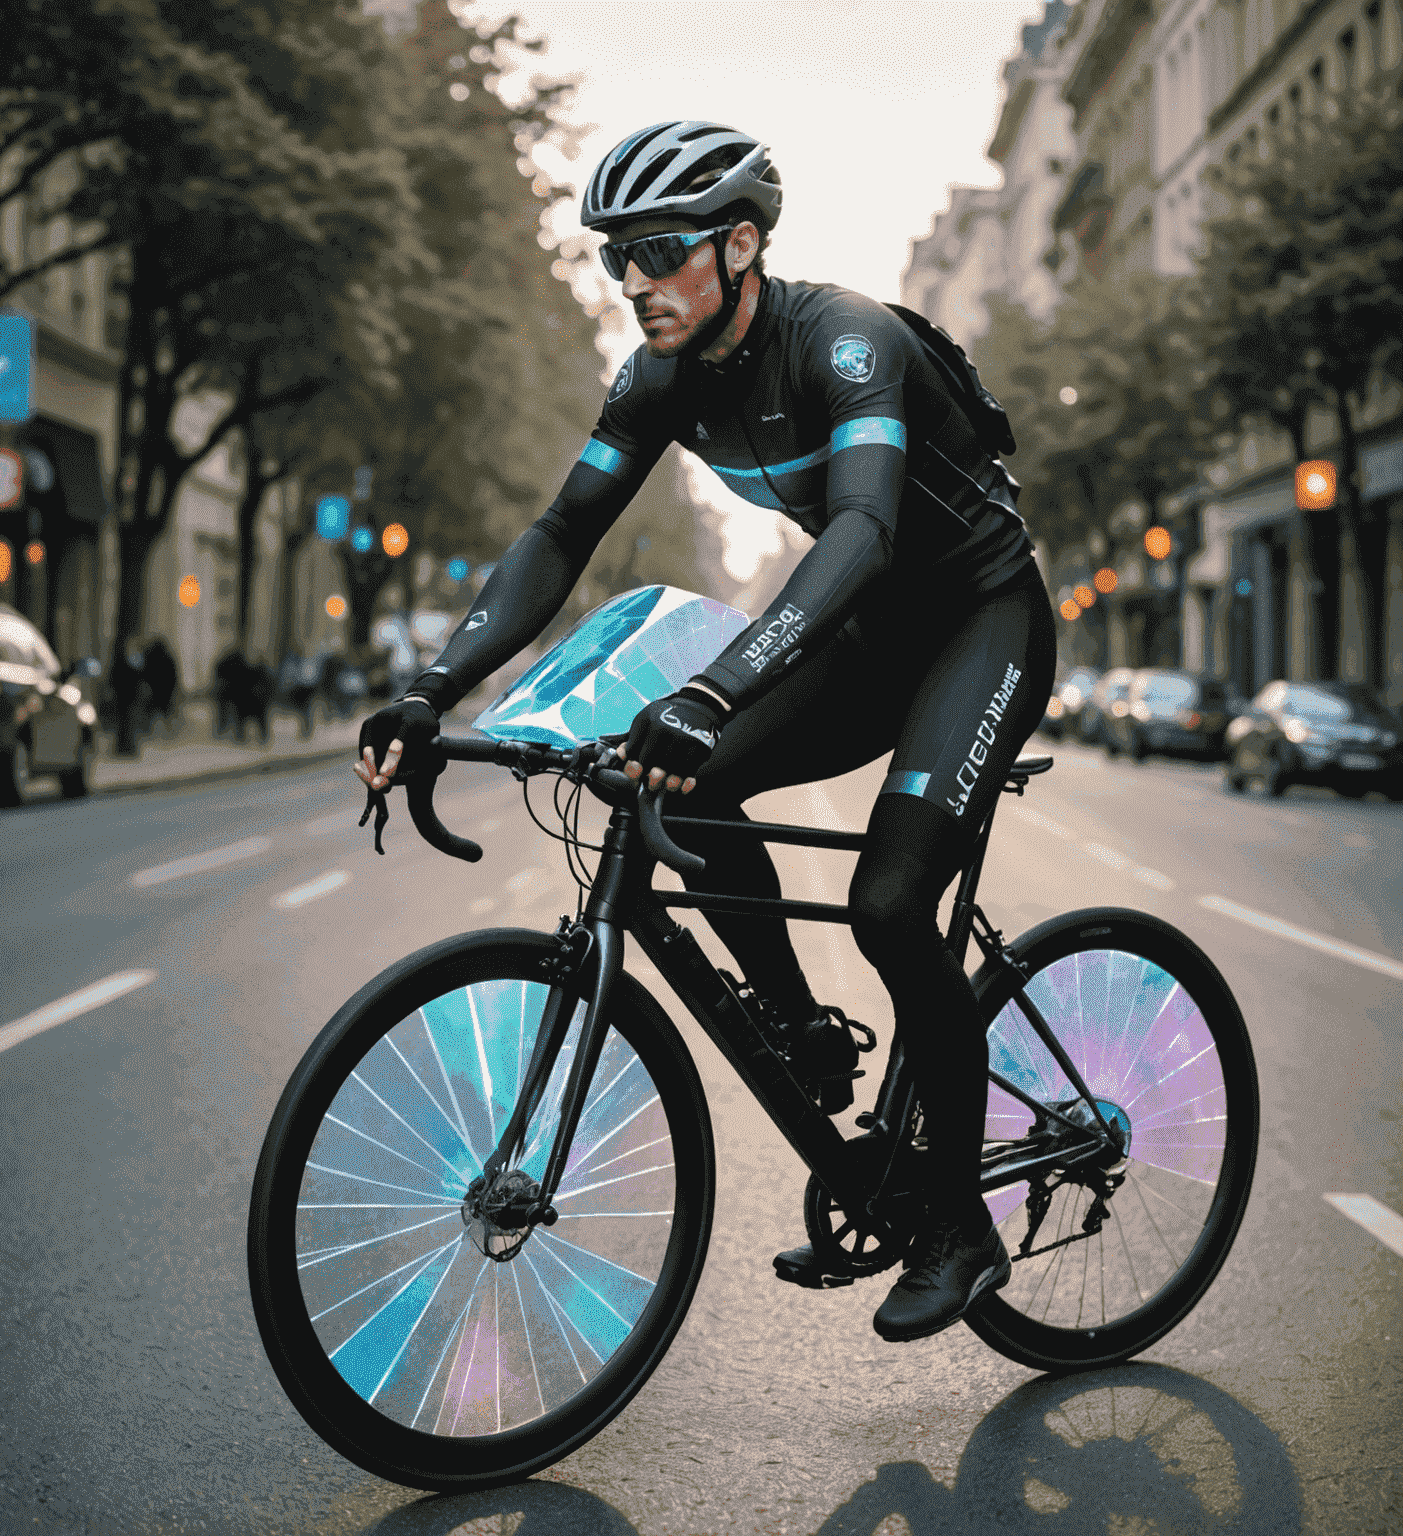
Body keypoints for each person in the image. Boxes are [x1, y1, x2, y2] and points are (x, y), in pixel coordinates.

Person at [355, 121, 1055, 1344]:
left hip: (978, 620)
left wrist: (717, 687)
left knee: (892, 907)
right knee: (665, 786)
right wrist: (432, 688)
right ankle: (798, 1028)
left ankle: (957, 1223)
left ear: (740, 246)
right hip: (866, 635)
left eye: (659, 252)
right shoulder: (660, 377)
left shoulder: (846, 343)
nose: (632, 281)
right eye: (617, 258)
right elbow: (560, 535)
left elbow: (862, 533)